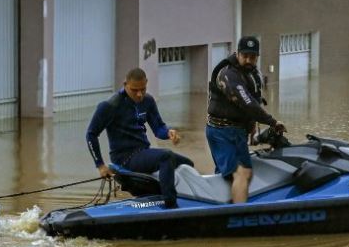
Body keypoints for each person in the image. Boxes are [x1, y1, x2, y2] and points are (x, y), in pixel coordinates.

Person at [86, 67, 194, 209]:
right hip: (125, 157)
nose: (139, 94)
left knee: (187, 164)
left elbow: (158, 128)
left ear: (146, 84)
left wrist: (168, 132)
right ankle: (170, 205)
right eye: (134, 90)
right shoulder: (110, 106)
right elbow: (91, 134)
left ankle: (179, 198)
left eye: (143, 89)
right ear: (125, 85)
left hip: (143, 152)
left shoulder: (147, 101)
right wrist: (100, 165)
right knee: (166, 156)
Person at [206, 36, 287, 203]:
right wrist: (272, 121)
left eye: (253, 57)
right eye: (245, 56)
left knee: (230, 174)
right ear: (237, 54)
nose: (249, 60)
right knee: (242, 172)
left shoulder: (251, 74)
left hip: (236, 131)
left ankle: (219, 204)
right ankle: (238, 216)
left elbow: (254, 101)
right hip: (222, 131)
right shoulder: (228, 75)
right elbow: (247, 103)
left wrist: (251, 128)